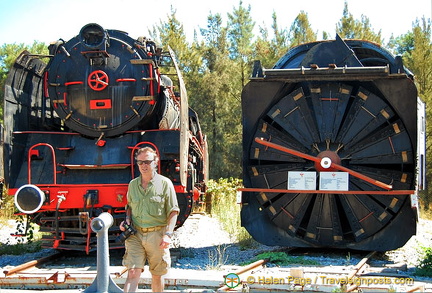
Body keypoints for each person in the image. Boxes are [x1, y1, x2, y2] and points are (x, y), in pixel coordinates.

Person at [120, 146, 179, 292]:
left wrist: (168, 234)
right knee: (133, 272)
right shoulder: (132, 185)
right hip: (135, 234)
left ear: (155, 162)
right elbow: (129, 207)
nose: (144, 165)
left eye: (147, 161)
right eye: (140, 162)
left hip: (157, 235)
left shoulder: (165, 184)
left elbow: (173, 211)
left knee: (157, 275)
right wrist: (126, 221)